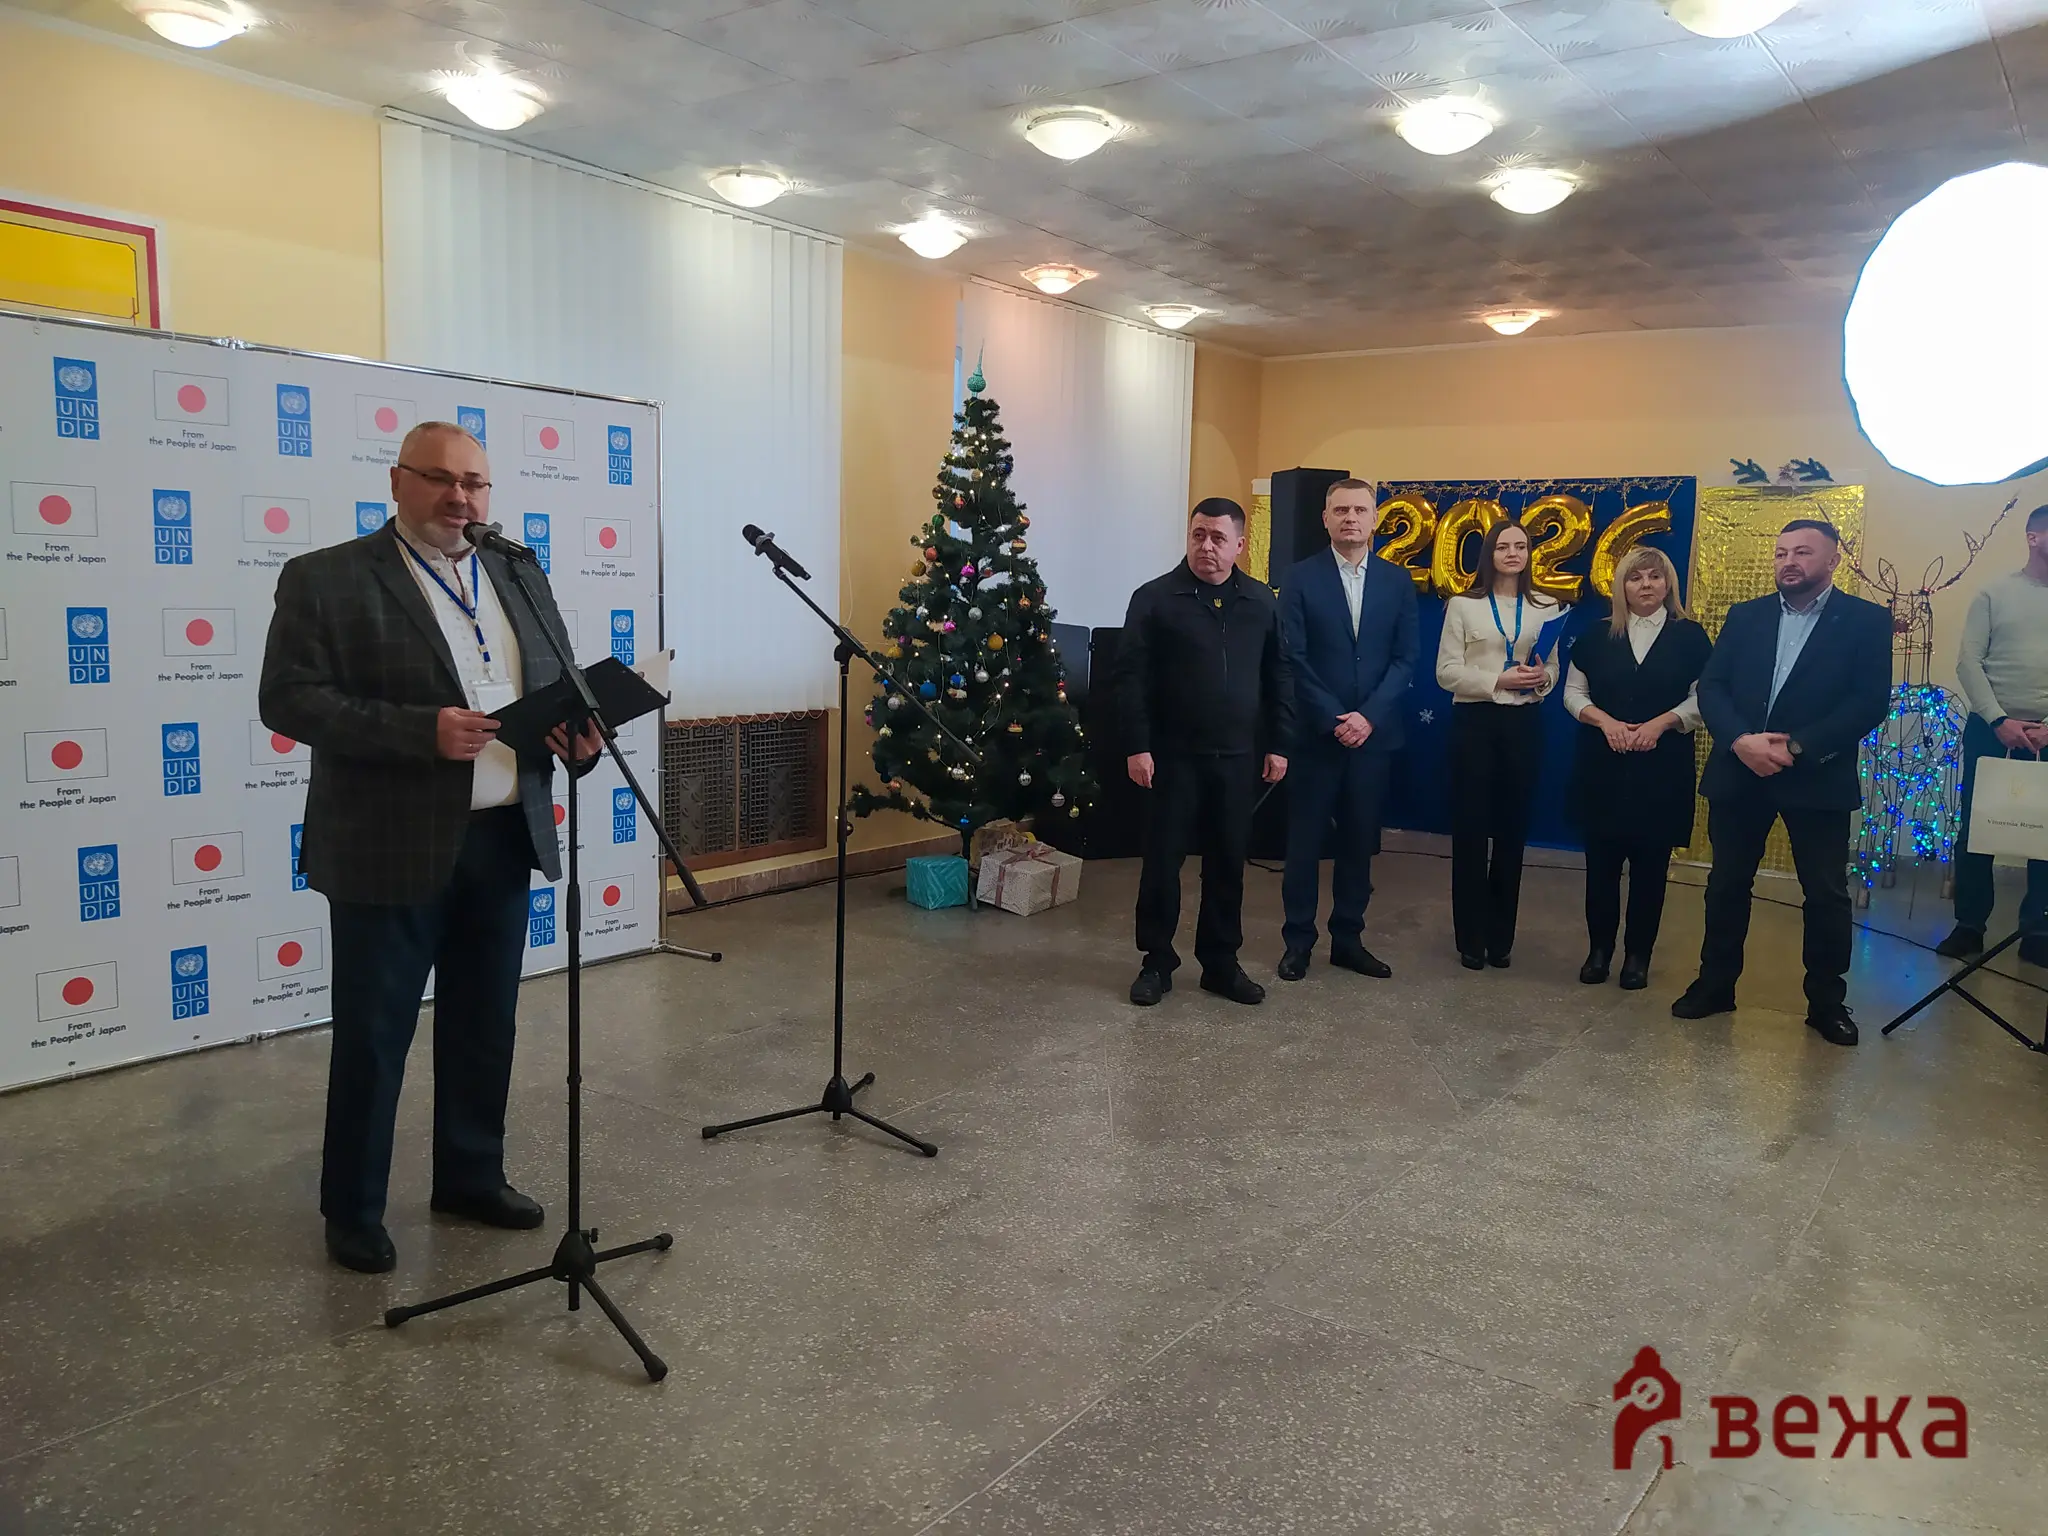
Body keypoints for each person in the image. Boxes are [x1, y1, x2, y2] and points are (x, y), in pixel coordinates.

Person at [259, 421, 600, 1273]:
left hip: (503, 836)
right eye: (441, 478)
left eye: (475, 483)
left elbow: (554, 685)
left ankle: (471, 1177)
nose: (460, 497)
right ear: (398, 481)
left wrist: (578, 733)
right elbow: (289, 699)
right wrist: (422, 732)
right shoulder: (327, 576)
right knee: (375, 1037)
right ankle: (353, 1211)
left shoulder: (517, 571)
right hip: (387, 845)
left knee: (485, 1025)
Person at [1673, 519, 1892, 1045]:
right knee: (1727, 884)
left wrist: (1796, 747)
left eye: (1802, 552)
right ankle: (1715, 985)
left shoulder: (1865, 620)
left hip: (1816, 775)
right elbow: (1713, 687)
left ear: (1833, 560)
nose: (1788, 561)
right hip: (1741, 768)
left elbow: (1868, 702)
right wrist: (1740, 741)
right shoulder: (1745, 615)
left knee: (1825, 893)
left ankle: (1826, 1003)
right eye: (1781, 553)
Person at [1117, 498, 1293, 1008]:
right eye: (1199, 535)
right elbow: (1129, 680)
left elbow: (1279, 676)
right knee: (1162, 864)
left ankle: (1220, 963)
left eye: (1218, 538)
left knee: (1227, 864)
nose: (1207, 546)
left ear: (1239, 545)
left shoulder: (1261, 602)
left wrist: (1280, 743)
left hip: (1237, 757)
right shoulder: (1154, 599)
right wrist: (1136, 745)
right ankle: (1156, 961)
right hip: (1171, 758)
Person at [1277, 479, 1418, 982]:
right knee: (1304, 845)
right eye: (1341, 510)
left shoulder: (1397, 581)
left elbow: (1405, 658)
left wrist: (1368, 717)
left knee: (1359, 844)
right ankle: (1297, 942)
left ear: (1375, 519)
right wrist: (1335, 717)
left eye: (1360, 510)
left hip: (1373, 737)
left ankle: (1348, 940)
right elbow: (1292, 656)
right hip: (1316, 736)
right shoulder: (1298, 578)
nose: (1350, 518)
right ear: (1325, 519)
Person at [1563, 546, 1712, 991]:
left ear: (1668, 584)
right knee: (1600, 869)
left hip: (1662, 768)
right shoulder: (1596, 635)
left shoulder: (1691, 637)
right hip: (1603, 766)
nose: (1646, 585)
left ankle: (1637, 957)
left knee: (1650, 871)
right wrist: (1605, 723)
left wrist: (1662, 724)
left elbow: (1704, 698)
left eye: (1654, 576)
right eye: (1635, 577)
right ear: (1621, 586)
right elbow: (1573, 694)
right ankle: (1599, 952)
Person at [1435, 519, 1565, 969]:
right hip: (1475, 722)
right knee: (1471, 831)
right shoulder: (1463, 605)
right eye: (1503, 546)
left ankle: (1501, 939)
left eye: (1521, 546)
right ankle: (1471, 939)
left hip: (1524, 723)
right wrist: (1498, 679)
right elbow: (1446, 672)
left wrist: (1542, 678)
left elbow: (1553, 667)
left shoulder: (1546, 605)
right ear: (1489, 554)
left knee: (1512, 833)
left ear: (1529, 554)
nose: (1513, 553)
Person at [1938, 503, 2048, 966]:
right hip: (1991, 729)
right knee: (1976, 829)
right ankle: (1969, 925)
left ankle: (2039, 930)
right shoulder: (1994, 593)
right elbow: (1969, 661)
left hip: (2046, 733)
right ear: (2033, 537)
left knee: (2046, 831)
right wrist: (1999, 720)